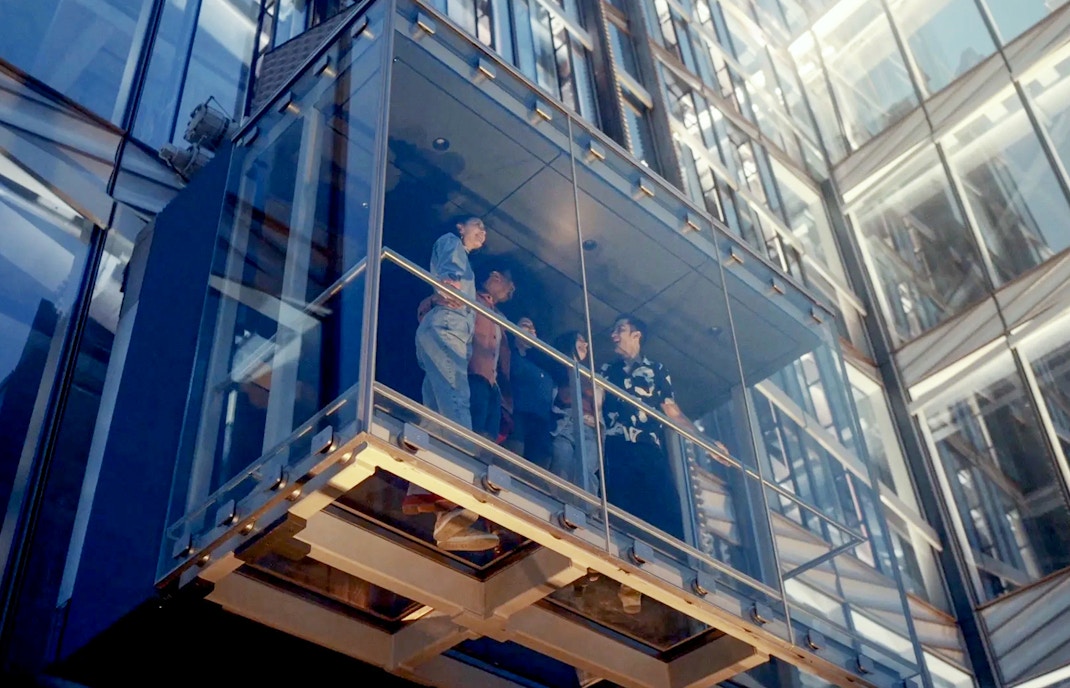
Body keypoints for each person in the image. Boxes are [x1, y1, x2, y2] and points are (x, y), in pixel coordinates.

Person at [403, 216, 499, 552]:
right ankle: (462, 498)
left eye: (485, 231)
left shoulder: (460, 255)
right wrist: (448, 286)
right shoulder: (451, 242)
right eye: (477, 225)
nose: (482, 233)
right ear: (461, 227)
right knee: (457, 407)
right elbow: (450, 276)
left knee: (435, 417)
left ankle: (429, 498)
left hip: (441, 331)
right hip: (446, 332)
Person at [599, 314, 703, 613]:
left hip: (648, 447)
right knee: (624, 510)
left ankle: (677, 578)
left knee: (665, 508)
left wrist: (702, 439)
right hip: (618, 446)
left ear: (637, 334)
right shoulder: (608, 369)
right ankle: (628, 580)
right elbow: (595, 398)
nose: (615, 336)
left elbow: (671, 410)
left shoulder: (656, 370)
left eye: (620, 330)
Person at [548, 330, 600, 493]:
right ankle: (557, 504)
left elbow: (598, 405)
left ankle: (587, 514)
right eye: (580, 340)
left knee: (587, 472)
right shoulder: (556, 365)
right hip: (565, 422)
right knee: (561, 463)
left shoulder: (590, 376)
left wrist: (596, 418)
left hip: (589, 428)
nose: (585, 345)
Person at [467, 269, 515, 441]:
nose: (511, 291)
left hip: (494, 386)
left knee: (489, 438)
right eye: (510, 285)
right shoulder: (471, 296)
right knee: (473, 428)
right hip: (473, 374)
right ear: (495, 276)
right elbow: (434, 305)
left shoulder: (500, 317)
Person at [504, 317, 555, 468]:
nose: (532, 331)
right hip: (517, 416)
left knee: (540, 465)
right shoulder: (508, 354)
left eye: (534, 329)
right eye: (526, 326)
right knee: (514, 457)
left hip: (540, 423)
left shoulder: (543, 363)